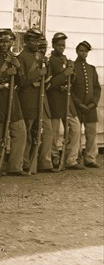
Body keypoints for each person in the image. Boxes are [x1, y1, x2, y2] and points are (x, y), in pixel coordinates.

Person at [0, 29, 28, 176]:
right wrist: (4, 73)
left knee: (20, 132)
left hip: (13, 100)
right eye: (1, 41)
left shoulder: (15, 58)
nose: (5, 44)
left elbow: (22, 82)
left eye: (8, 41)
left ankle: (15, 166)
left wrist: (19, 67)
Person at [17, 28, 54, 173]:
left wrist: (45, 72)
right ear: (26, 41)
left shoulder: (40, 57)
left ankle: (44, 162)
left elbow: (47, 76)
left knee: (47, 131)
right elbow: (22, 80)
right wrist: (39, 74)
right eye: (33, 40)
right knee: (28, 132)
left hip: (41, 99)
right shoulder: (21, 57)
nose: (36, 43)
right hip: (28, 99)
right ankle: (25, 163)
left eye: (38, 40)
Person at [47, 33, 84, 170]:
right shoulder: (50, 61)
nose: (61, 48)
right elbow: (49, 83)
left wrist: (71, 74)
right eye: (58, 45)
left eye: (63, 45)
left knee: (76, 127)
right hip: (55, 100)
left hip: (66, 100)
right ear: (53, 45)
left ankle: (71, 159)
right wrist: (65, 74)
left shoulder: (65, 59)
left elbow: (72, 79)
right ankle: (54, 157)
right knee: (54, 132)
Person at [72, 41, 101, 168]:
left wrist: (93, 103)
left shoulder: (91, 69)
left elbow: (96, 88)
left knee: (91, 133)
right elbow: (71, 90)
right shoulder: (72, 67)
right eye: (81, 51)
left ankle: (90, 158)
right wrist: (79, 104)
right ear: (77, 51)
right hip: (77, 107)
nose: (83, 53)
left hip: (90, 107)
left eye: (86, 51)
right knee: (76, 133)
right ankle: (76, 158)